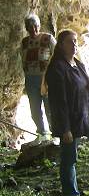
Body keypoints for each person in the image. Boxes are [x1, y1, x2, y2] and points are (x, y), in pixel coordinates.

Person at [46, 30, 89, 196]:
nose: (74, 44)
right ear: (61, 45)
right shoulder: (57, 68)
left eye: (75, 41)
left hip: (88, 117)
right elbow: (58, 102)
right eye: (70, 41)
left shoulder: (79, 65)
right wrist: (64, 129)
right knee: (69, 159)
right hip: (70, 121)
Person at [20, 13, 56, 143]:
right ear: (26, 28)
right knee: (34, 109)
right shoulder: (24, 42)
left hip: (46, 78)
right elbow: (22, 59)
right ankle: (41, 133)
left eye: (35, 26)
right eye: (29, 27)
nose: (33, 29)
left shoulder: (48, 38)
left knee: (50, 108)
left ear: (39, 25)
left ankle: (55, 134)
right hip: (30, 79)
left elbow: (57, 56)